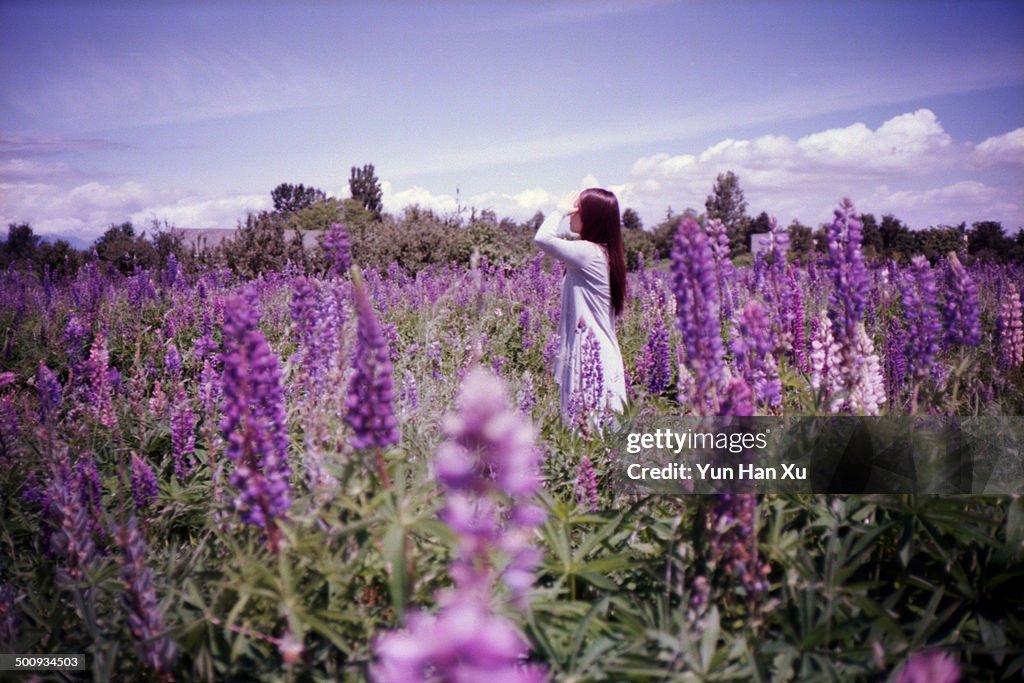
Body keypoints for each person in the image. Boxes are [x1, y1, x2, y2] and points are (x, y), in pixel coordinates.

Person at [533, 187, 628, 427]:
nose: (572, 214)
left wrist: (559, 211)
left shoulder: (589, 252)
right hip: (598, 354)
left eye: (577, 210)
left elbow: (543, 239)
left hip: (590, 356)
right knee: (599, 440)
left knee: (587, 435)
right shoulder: (604, 252)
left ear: (591, 217)